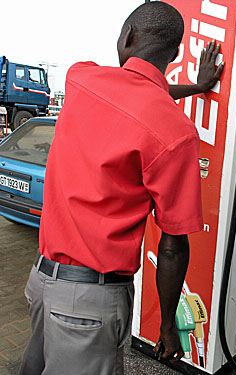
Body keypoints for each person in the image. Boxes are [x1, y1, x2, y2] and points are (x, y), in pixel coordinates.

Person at [19, 2, 223, 374]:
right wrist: (167, 325)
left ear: (127, 36)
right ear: (175, 54)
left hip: (41, 283)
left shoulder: (80, 79)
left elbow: (133, 93)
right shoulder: (176, 135)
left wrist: (194, 87)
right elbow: (174, 244)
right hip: (90, 304)